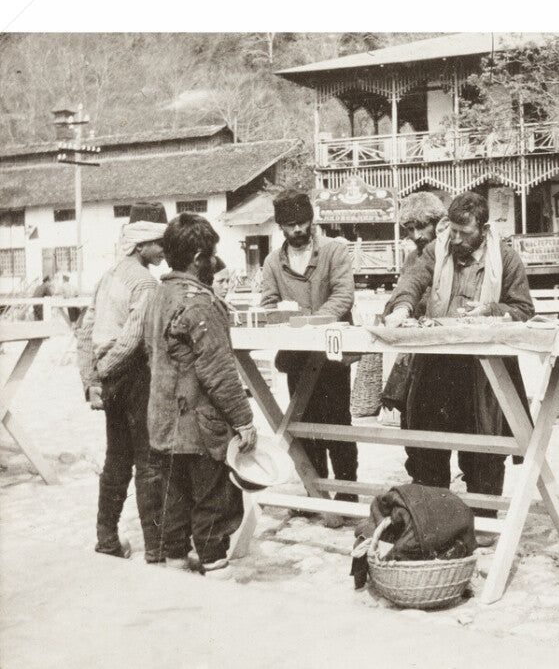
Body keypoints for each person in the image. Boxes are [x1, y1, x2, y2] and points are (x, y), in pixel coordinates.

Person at [383, 191, 534, 516]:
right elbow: (412, 281)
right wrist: (402, 308)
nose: (456, 238)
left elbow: (524, 309)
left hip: (485, 373)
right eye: (452, 230)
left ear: (483, 227)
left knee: (484, 451)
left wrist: (492, 309)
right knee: (427, 447)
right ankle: (435, 519)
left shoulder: (506, 258)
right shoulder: (437, 251)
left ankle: (483, 517)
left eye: (464, 233)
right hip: (436, 366)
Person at [144, 213, 257, 574]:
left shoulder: (159, 294)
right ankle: (215, 569)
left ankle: (176, 566)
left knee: (174, 503)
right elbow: (219, 372)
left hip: (163, 423)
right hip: (199, 428)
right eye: (210, 256)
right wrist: (244, 421)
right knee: (213, 506)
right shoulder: (199, 303)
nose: (213, 264)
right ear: (198, 258)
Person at [76, 202, 168, 561]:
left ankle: (107, 540)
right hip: (132, 376)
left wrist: (92, 379)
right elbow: (131, 340)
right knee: (148, 463)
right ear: (142, 243)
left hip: (110, 380)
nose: (164, 250)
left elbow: (85, 332)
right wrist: (104, 372)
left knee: (116, 459)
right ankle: (157, 549)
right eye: (160, 242)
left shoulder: (109, 275)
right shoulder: (145, 282)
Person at [260, 188, 358, 505]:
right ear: (281, 227)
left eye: (302, 222)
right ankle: (314, 492)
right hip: (296, 359)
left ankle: (347, 494)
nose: (298, 230)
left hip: (331, 355)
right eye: (290, 225)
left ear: (312, 220)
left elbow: (343, 296)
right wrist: (288, 323)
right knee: (303, 427)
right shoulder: (273, 262)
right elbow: (269, 303)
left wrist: (310, 324)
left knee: (338, 424)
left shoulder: (334, 251)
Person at [380, 192, 450, 414]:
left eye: (422, 226)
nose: (417, 235)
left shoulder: (450, 254)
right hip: (416, 351)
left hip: (447, 345)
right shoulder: (412, 259)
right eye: (410, 229)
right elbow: (399, 297)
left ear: (438, 222)